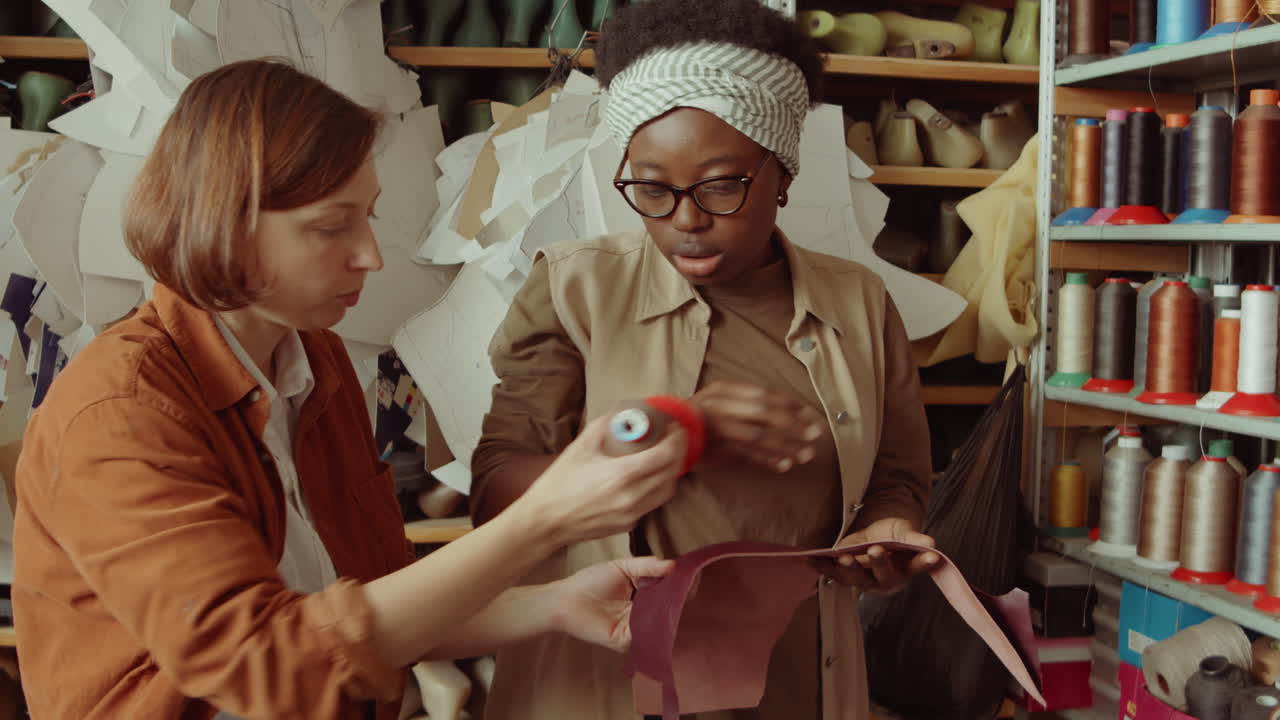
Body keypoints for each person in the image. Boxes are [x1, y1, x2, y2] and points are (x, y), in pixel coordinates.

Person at [11, 59, 690, 720]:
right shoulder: (121, 411)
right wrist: (543, 519)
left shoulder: (312, 357)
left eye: (368, 217)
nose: (370, 255)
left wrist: (555, 603)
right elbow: (265, 663)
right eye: (332, 226)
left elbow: (363, 606)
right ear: (224, 221)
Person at [469, 1, 941, 719]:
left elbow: (896, 478)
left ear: (782, 175)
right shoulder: (575, 288)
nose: (685, 219)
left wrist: (884, 534)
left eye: (721, 185)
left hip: (796, 681)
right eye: (651, 187)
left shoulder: (858, 304)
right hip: (610, 679)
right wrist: (671, 439)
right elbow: (496, 497)